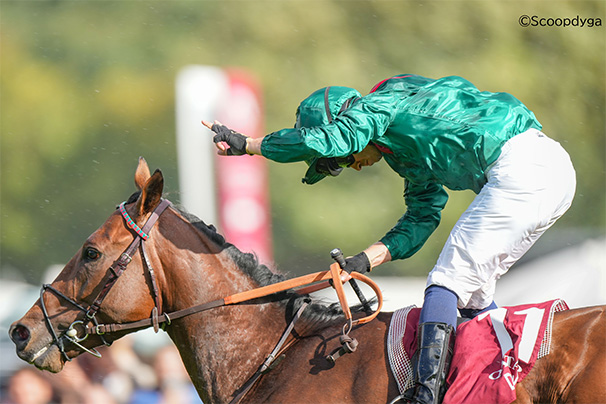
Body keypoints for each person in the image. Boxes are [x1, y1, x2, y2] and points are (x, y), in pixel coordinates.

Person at [202, 74, 576, 404]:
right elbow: (422, 216)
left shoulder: (378, 105)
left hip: (524, 169)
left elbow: (331, 138)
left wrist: (248, 144)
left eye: (341, 159)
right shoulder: (402, 145)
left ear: (348, 120)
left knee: (446, 283)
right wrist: (365, 260)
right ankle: (501, 385)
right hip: (544, 173)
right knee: (473, 293)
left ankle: (425, 395)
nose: (351, 166)